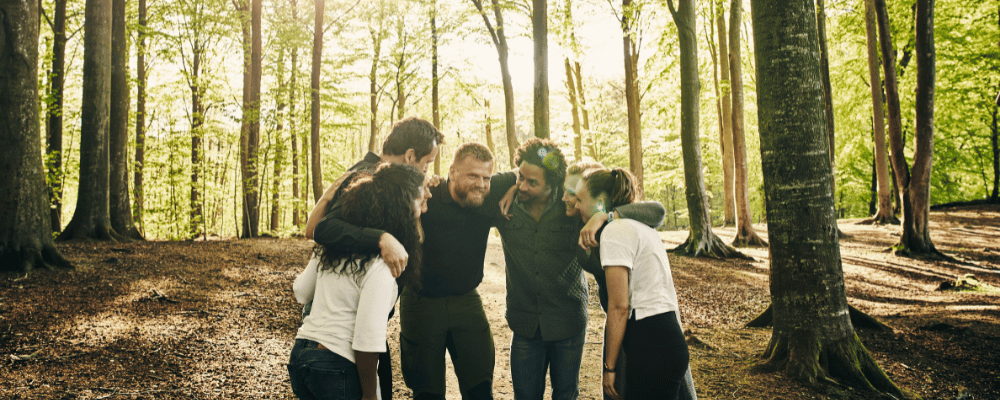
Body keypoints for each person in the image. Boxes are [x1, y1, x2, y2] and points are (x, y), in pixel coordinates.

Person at [314, 142, 517, 400]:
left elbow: (542, 160)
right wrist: (381, 237)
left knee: (480, 388)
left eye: (487, 177)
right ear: (452, 171)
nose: (481, 183)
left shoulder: (491, 192)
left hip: (467, 301)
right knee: (426, 392)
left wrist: (514, 185)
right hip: (420, 302)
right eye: (473, 176)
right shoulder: (424, 197)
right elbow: (326, 229)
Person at [495, 139, 664, 400]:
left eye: (532, 182)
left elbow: (654, 210)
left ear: (552, 183)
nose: (522, 186)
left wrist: (605, 215)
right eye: (521, 178)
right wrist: (514, 178)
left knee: (566, 394)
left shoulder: (571, 205)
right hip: (525, 324)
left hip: (568, 321)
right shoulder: (506, 206)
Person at [303, 116, 443, 400]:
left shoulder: (380, 176)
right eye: (426, 164)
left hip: (355, 322)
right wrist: (381, 238)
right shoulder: (367, 176)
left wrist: (422, 185)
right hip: (346, 332)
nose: (427, 172)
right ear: (410, 156)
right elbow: (320, 228)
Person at [562, 161, 699, 400]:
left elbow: (620, 306)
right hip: (648, 333)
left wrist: (609, 368)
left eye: (579, 198)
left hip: (646, 333)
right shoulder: (636, 227)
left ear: (602, 203)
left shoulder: (616, 229)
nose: (572, 201)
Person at [288, 163, 426, 400]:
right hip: (337, 364)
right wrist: (370, 394)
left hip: (301, 355)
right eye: (420, 202)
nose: (424, 208)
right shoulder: (383, 265)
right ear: (401, 207)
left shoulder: (334, 246)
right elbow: (367, 338)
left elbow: (301, 291)